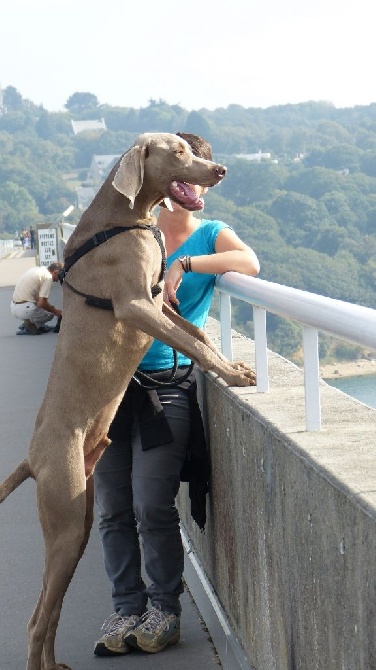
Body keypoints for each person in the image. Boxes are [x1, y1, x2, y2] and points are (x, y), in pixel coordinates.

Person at [93, 133, 260, 657]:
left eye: (198, 169)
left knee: (153, 506)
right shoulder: (132, 228)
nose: (195, 179)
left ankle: (163, 610)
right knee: (112, 509)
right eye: (184, 169)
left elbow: (250, 263)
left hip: (167, 386)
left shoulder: (209, 232)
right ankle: (126, 609)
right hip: (110, 389)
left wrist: (184, 265)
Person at [11, 262, 63, 335]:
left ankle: (32, 323)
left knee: (48, 308)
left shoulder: (37, 270)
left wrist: (50, 307)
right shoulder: (48, 277)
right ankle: (32, 325)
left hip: (14, 307)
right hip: (25, 309)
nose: (57, 280)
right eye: (59, 277)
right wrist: (56, 312)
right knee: (50, 313)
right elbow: (42, 303)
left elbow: (38, 299)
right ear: (55, 272)